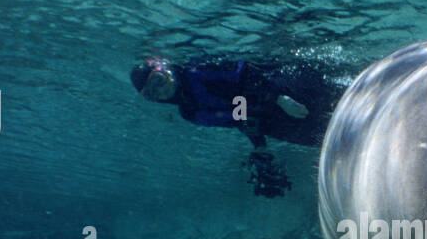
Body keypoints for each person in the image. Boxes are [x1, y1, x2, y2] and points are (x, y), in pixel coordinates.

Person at [130, 54, 348, 197]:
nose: (162, 89)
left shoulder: (197, 71)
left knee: (344, 99)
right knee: (332, 141)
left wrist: (280, 99)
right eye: (153, 93)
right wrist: (260, 149)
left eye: (159, 79)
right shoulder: (189, 112)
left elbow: (249, 73)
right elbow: (240, 119)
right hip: (270, 121)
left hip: (282, 88)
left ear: (165, 67)